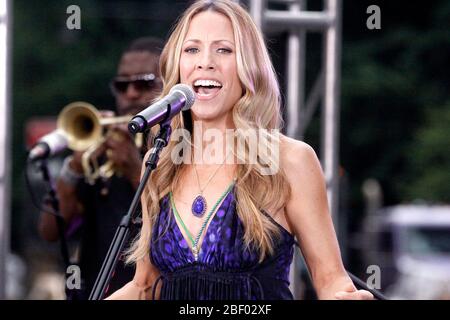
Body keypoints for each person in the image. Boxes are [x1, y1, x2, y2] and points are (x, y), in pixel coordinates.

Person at [106, 0, 374, 300]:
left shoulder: (290, 160)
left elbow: (331, 280)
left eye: (224, 49)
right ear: (177, 67)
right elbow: (144, 286)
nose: (205, 62)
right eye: (192, 49)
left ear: (249, 67)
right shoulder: (159, 166)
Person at [38, 37, 164, 299]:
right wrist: (73, 167)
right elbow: (50, 231)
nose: (131, 93)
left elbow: (173, 225)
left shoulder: (177, 149)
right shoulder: (102, 151)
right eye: (122, 85)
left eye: (143, 83)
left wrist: (134, 169)